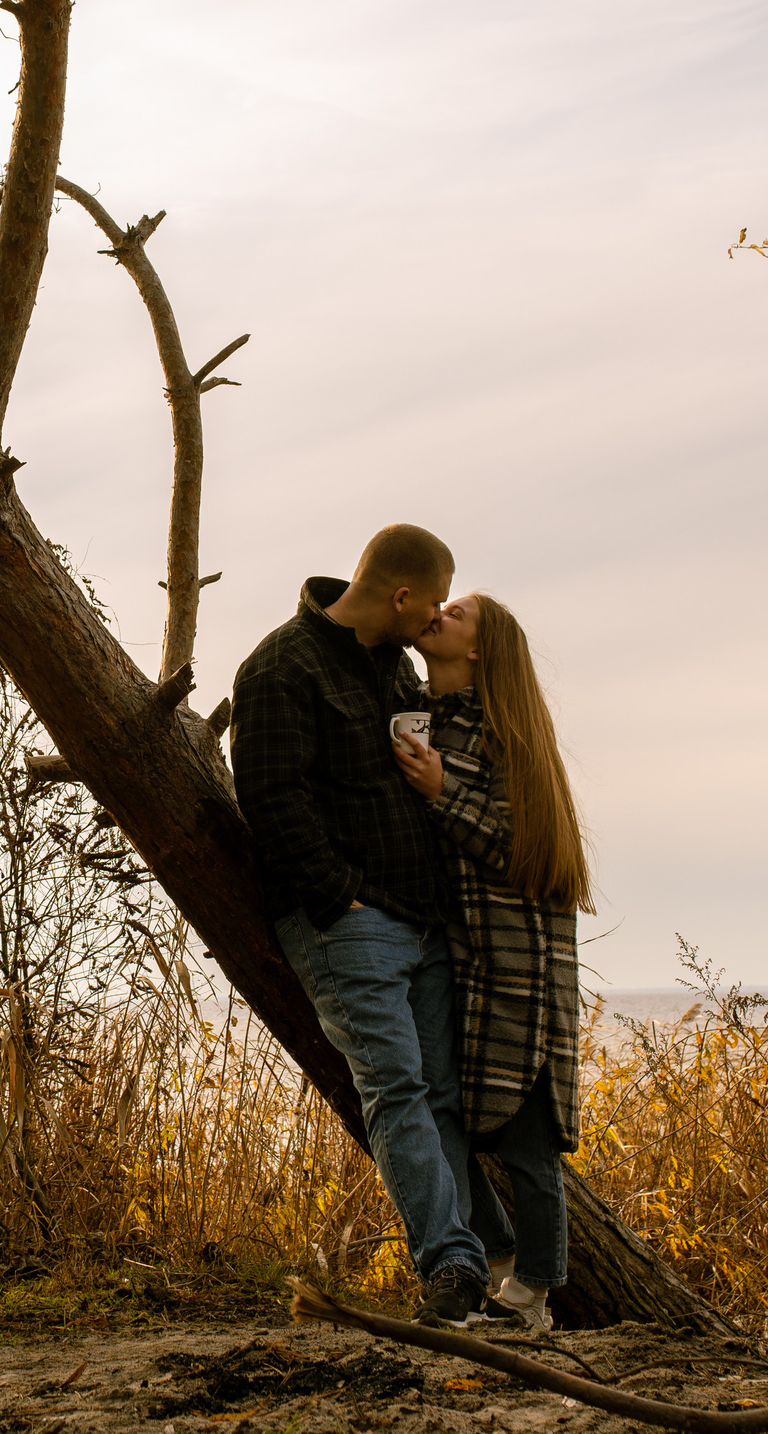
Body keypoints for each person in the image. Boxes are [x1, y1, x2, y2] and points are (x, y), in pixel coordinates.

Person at [231, 524, 494, 1323]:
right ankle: (451, 1266)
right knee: (398, 1090)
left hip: (423, 921)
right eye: (435, 602)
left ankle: (486, 1258)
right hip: (351, 925)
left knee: (443, 1095)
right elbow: (272, 797)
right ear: (403, 593)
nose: (437, 618)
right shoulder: (280, 667)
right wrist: (339, 895)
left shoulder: (400, 670)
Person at [393, 593, 593, 1330]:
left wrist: (445, 793)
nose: (439, 614)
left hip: (523, 969)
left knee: (529, 1146)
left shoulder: (509, 739)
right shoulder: (415, 716)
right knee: (450, 1122)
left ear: (479, 651)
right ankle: (500, 1256)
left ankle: (535, 1294)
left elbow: (524, 851)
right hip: (459, 963)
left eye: (457, 614)